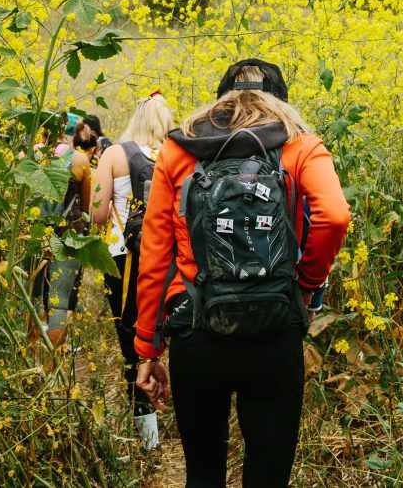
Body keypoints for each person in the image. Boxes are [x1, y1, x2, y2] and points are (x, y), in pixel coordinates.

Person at [133, 60, 350, 487]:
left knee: (204, 472)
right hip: (275, 330)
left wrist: (148, 348)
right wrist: (304, 285)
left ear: (221, 99)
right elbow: (335, 216)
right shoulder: (300, 145)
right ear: (281, 100)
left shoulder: (180, 150)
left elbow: (155, 253)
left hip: (197, 332)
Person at [91, 93, 176, 449]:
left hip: (122, 259)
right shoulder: (178, 155)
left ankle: (148, 438)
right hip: (171, 260)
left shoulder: (114, 153)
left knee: (132, 344)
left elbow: (96, 213)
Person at [43, 119, 98, 345]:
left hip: (32, 236)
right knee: (59, 302)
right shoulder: (78, 159)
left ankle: (27, 360)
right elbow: (87, 208)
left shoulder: (27, 156)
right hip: (68, 235)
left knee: (30, 298)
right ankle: (52, 366)